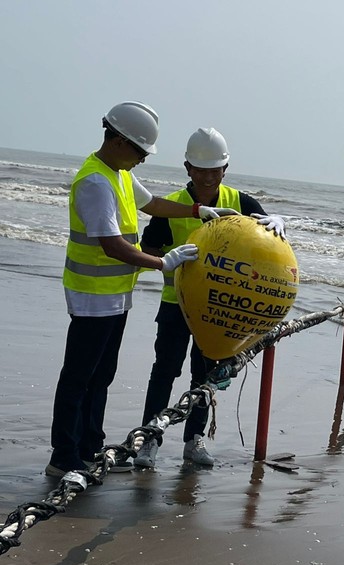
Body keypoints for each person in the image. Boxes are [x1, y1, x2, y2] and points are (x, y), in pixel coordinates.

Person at [46, 102, 227, 478]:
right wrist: (163, 262)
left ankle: (89, 448)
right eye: (140, 151)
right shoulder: (96, 181)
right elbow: (112, 244)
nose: (143, 159)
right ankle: (63, 456)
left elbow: (154, 205)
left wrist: (197, 212)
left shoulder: (120, 174)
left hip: (114, 296)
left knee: (101, 375)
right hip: (92, 297)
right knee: (79, 376)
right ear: (117, 140)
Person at [134, 127, 286, 469]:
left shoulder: (240, 203)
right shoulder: (170, 205)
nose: (206, 177)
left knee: (203, 377)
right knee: (165, 371)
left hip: (220, 310)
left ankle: (194, 440)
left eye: (213, 170)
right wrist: (168, 265)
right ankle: (149, 440)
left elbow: (268, 242)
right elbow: (150, 248)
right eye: (199, 170)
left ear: (224, 170)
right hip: (177, 305)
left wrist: (279, 220)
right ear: (187, 168)